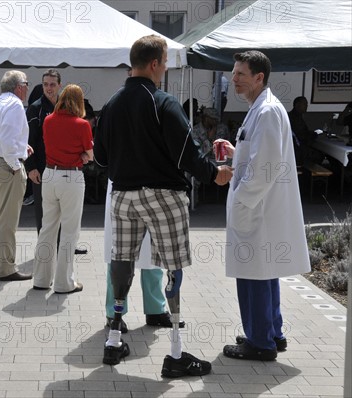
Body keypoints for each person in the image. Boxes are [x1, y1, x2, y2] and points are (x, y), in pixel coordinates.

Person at [94, 35, 232, 374]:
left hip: (123, 196)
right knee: (173, 267)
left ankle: (113, 340)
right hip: (163, 195)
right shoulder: (163, 102)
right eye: (165, 61)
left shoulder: (111, 104)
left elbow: (99, 157)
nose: (166, 67)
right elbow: (187, 152)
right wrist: (214, 174)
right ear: (154, 63)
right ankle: (175, 352)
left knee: (121, 263)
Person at [219, 50, 310, 361]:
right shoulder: (261, 108)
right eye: (234, 74)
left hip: (257, 210)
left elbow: (264, 167)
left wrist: (241, 199)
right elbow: (257, 154)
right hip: (258, 209)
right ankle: (271, 332)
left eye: (241, 74)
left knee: (255, 274)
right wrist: (235, 151)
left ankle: (260, 342)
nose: (234, 80)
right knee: (264, 272)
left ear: (259, 77)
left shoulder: (267, 111)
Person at [32, 84, 93, 294]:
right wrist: (84, 156)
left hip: (50, 173)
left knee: (47, 228)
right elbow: (90, 155)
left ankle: (41, 278)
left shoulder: (48, 120)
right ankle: (63, 282)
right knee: (69, 232)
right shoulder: (82, 124)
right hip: (71, 176)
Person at [103, 181, 186, 332]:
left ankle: (155, 309)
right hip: (123, 186)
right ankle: (114, 313)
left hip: (153, 187)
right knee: (120, 257)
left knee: (153, 256)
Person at [0, 70, 33, 281]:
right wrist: (15, 163)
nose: (28, 88)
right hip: (4, 165)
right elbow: (6, 138)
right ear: (19, 86)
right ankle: (7, 267)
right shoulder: (15, 105)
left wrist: (21, 148)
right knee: (7, 221)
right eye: (27, 84)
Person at [25, 69, 62, 235]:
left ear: (59, 85)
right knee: (43, 210)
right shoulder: (35, 108)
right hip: (41, 168)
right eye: (46, 84)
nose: (49, 88)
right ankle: (44, 245)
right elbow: (27, 141)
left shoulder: (66, 106)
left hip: (64, 168)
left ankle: (64, 243)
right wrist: (30, 168)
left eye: (53, 84)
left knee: (64, 208)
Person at [288, 96, 317, 166]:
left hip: (296, 149)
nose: (306, 106)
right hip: (297, 150)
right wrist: (313, 135)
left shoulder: (296, 116)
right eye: (304, 104)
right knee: (318, 155)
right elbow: (301, 135)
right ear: (297, 105)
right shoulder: (294, 118)